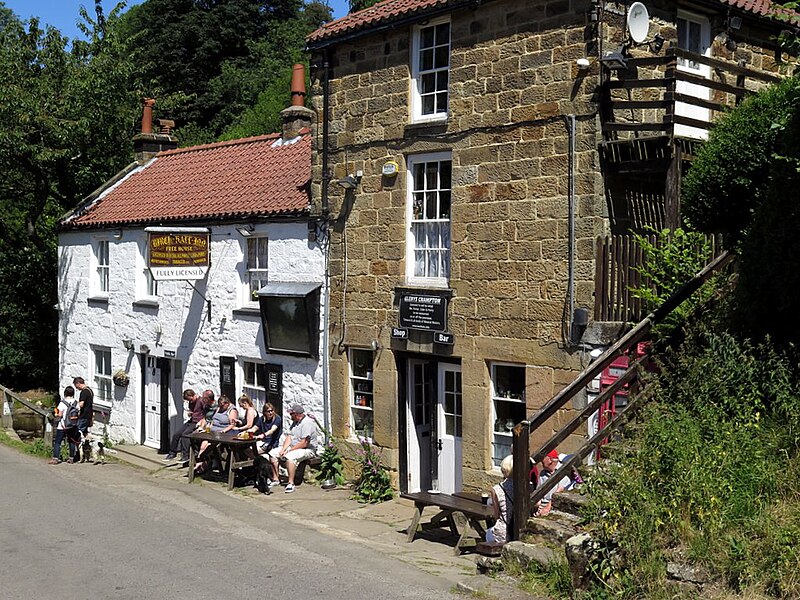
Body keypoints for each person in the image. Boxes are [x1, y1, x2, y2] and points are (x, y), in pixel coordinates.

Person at [267, 403, 318, 493]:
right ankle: (276, 479)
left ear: (297, 414)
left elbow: (304, 443)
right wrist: (283, 449)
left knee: (289, 457)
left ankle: (291, 483)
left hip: (307, 449)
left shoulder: (307, 423)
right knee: (273, 453)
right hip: (294, 447)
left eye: (291, 414)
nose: (290, 416)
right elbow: (289, 437)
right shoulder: (295, 423)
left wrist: (289, 450)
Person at [194, 394, 238, 474]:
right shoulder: (219, 408)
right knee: (203, 444)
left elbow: (232, 425)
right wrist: (207, 427)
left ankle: (201, 464)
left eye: (222, 405)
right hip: (212, 430)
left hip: (222, 432)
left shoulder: (232, 410)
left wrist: (224, 431)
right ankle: (200, 462)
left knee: (209, 446)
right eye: (220, 405)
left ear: (227, 403)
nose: (221, 407)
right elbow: (213, 420)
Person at [163, 389, 201, 463]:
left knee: (185, 435)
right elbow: (193, 411)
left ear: (192, 395)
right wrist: (191, 413)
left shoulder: (200, 401)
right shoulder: (191, 402)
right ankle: (172, 453)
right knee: (176, 434)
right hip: (191, 421)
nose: (189, 401)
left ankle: (185, 455)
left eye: (189, 399)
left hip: (197, 422)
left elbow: (204, 412)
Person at [534, 449, 574, 517]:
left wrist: (546, 509)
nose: (541, 461)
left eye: (542, 458)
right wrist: (536, 505)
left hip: (553, 506)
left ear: (549, 460)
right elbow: (538, 492)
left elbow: (559, 493)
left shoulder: (563, 471)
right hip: (541, 506)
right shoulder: (543, 473)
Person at [485, 454, 514, 544]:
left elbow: (496, 515)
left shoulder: (496, 489)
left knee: (488, 533)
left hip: (504, 532)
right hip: (520, 530)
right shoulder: (525, 486)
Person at [49, 386, 81, 464]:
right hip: (72, 425)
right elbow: (78, 413)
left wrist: (56, 413)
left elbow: (59, 415)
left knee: (57, 442)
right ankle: (71, 458)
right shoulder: (76, 403)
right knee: (71, 441)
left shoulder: (62, 403)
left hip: (62, 426)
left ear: (65, 393)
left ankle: (56, 458)